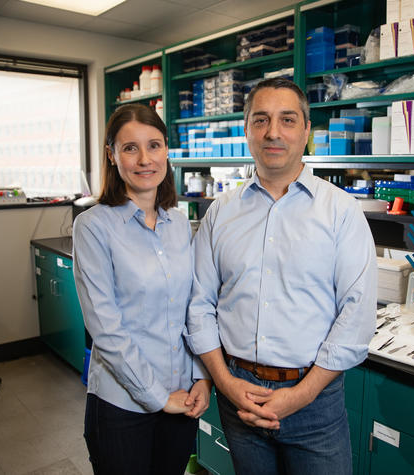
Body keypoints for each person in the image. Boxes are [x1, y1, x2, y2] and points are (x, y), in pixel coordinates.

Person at [186, 78, 377, 474]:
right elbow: (199, 305)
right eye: (261, 120)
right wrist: (225, 382)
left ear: (306, 131)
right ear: (247, 130)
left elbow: (356, 316)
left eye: (287, 120)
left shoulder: (341, 211)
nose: (273, 132)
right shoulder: (220, 212)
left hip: (315, 404)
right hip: (238, 395)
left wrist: (300, 395)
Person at [73, 103, 211, 475]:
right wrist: (156, 397)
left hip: (181, 398)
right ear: (111, 155)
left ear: (167, 150)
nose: (144, 159)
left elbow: (194, 309)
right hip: (122, 406)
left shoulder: (180, 225)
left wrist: (202, 377)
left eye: (154, 145)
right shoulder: (93, 227)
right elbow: (106, 329)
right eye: (130, 148)